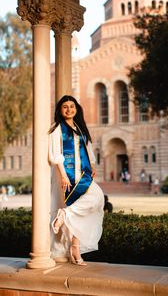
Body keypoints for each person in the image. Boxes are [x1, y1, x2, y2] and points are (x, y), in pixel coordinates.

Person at [48, 95, 104, 266]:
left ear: (77, 108)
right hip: (68, 175)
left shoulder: (80, 128)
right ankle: (74, 248)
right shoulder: (56, 128)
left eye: (72, 106)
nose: (69, 109)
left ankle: (66, 220)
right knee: (88, 201)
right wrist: (64, 175)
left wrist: (92, 165)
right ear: (60, 110)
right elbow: (56, 154)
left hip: (83, 174)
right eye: (65, 106)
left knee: (96, 199)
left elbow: (87, 148)